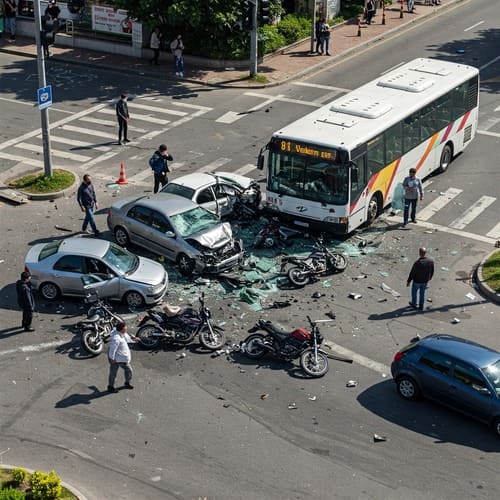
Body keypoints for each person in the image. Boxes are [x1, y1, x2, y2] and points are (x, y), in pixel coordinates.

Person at [107, 321, 139, 393]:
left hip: (122, 359)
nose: (126, 329)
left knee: (129, 371)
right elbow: (112, 350)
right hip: (117, 360)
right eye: (125, 328)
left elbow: (127, 338)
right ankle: (110, 387)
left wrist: (134, 339)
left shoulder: (122, 333)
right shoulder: (116, 339)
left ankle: (127, 383)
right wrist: (112, 359)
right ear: (121, 329)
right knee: (113, 373)